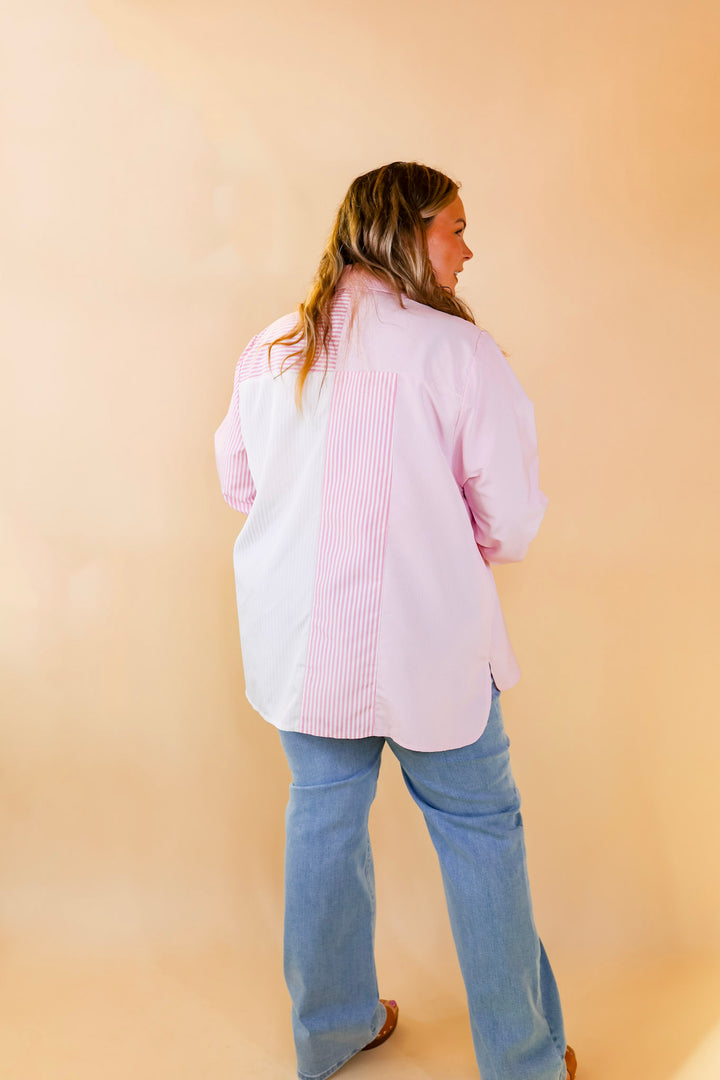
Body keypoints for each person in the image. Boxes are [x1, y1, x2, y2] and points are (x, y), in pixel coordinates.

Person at [214, 161, 577, 1080]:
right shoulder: (457, 353)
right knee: (481, 831)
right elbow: (511, 514)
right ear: (407, 233)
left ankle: (332, 1030)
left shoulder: (271, 350)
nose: (467, 249)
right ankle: (525, 1063)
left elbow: (238, 484)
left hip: (304, 652)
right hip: (431, 646)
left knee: (323, 822)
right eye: (455, 227)